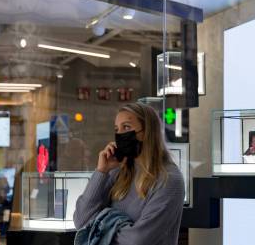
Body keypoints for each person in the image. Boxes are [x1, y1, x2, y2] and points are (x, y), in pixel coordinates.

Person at [73, 103, 184, 245]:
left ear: (146, 132)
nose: (120, 135)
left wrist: (101, 224)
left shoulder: (169, 179)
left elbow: (138, 240)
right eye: (116, 129)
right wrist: (101, 172)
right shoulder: (117, 170)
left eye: (126, 127)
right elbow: (81, 220)